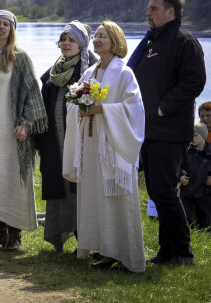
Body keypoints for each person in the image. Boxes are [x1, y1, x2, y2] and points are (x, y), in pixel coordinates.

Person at [127, 0, 206, 266]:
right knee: (158, 191)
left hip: (169, 130)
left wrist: (164, 106)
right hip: (148, 130)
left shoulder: (184, 41)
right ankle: (166, 251)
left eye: (153, 8)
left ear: (170, 12)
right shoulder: (153, 41)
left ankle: (183, 253)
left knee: (164, 191)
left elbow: (195, 81)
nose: (147, 13)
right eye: (148, 8)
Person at [63, 21, 146, 273]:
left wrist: (102, 109)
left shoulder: (124, 73)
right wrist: (79, 107)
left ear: (116, 41)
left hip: (113, 148)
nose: (97, 40)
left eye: (103, 36)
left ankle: (126, 255)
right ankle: (106, 250)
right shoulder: (89, 73)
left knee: (118, 199)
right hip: (90, 147)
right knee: (97, 198)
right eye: (96, 36)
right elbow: (73, 105)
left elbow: (134, 110)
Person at [0, 10, 47, 251]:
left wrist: (26, 124)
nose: (1, 28)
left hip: (11, 131)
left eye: (6, 24)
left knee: (13, 180)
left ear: (11, 29)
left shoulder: (19, 57)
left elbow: (32, 93)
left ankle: (15, 234)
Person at [36, 21, 97, 252]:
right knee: (59, 184)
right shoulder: (54, 74)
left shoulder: (91, 70)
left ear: (82, 44)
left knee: (80, 187)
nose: (66, 44)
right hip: (56, 143)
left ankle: (86, 238)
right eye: (63, 39)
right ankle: (59, 237)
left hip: (82, 143)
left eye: (71, 40)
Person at [179, 123, 211, 229]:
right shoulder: (185, 150)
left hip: (205, 192)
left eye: (195, 135)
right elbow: (177, 166)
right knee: (184, 220)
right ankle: (186, 238)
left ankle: (203, 239)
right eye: (190, 134)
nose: (192, 138)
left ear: (203, 136)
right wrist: (180, 177)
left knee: (206, 222)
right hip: (187, 192)